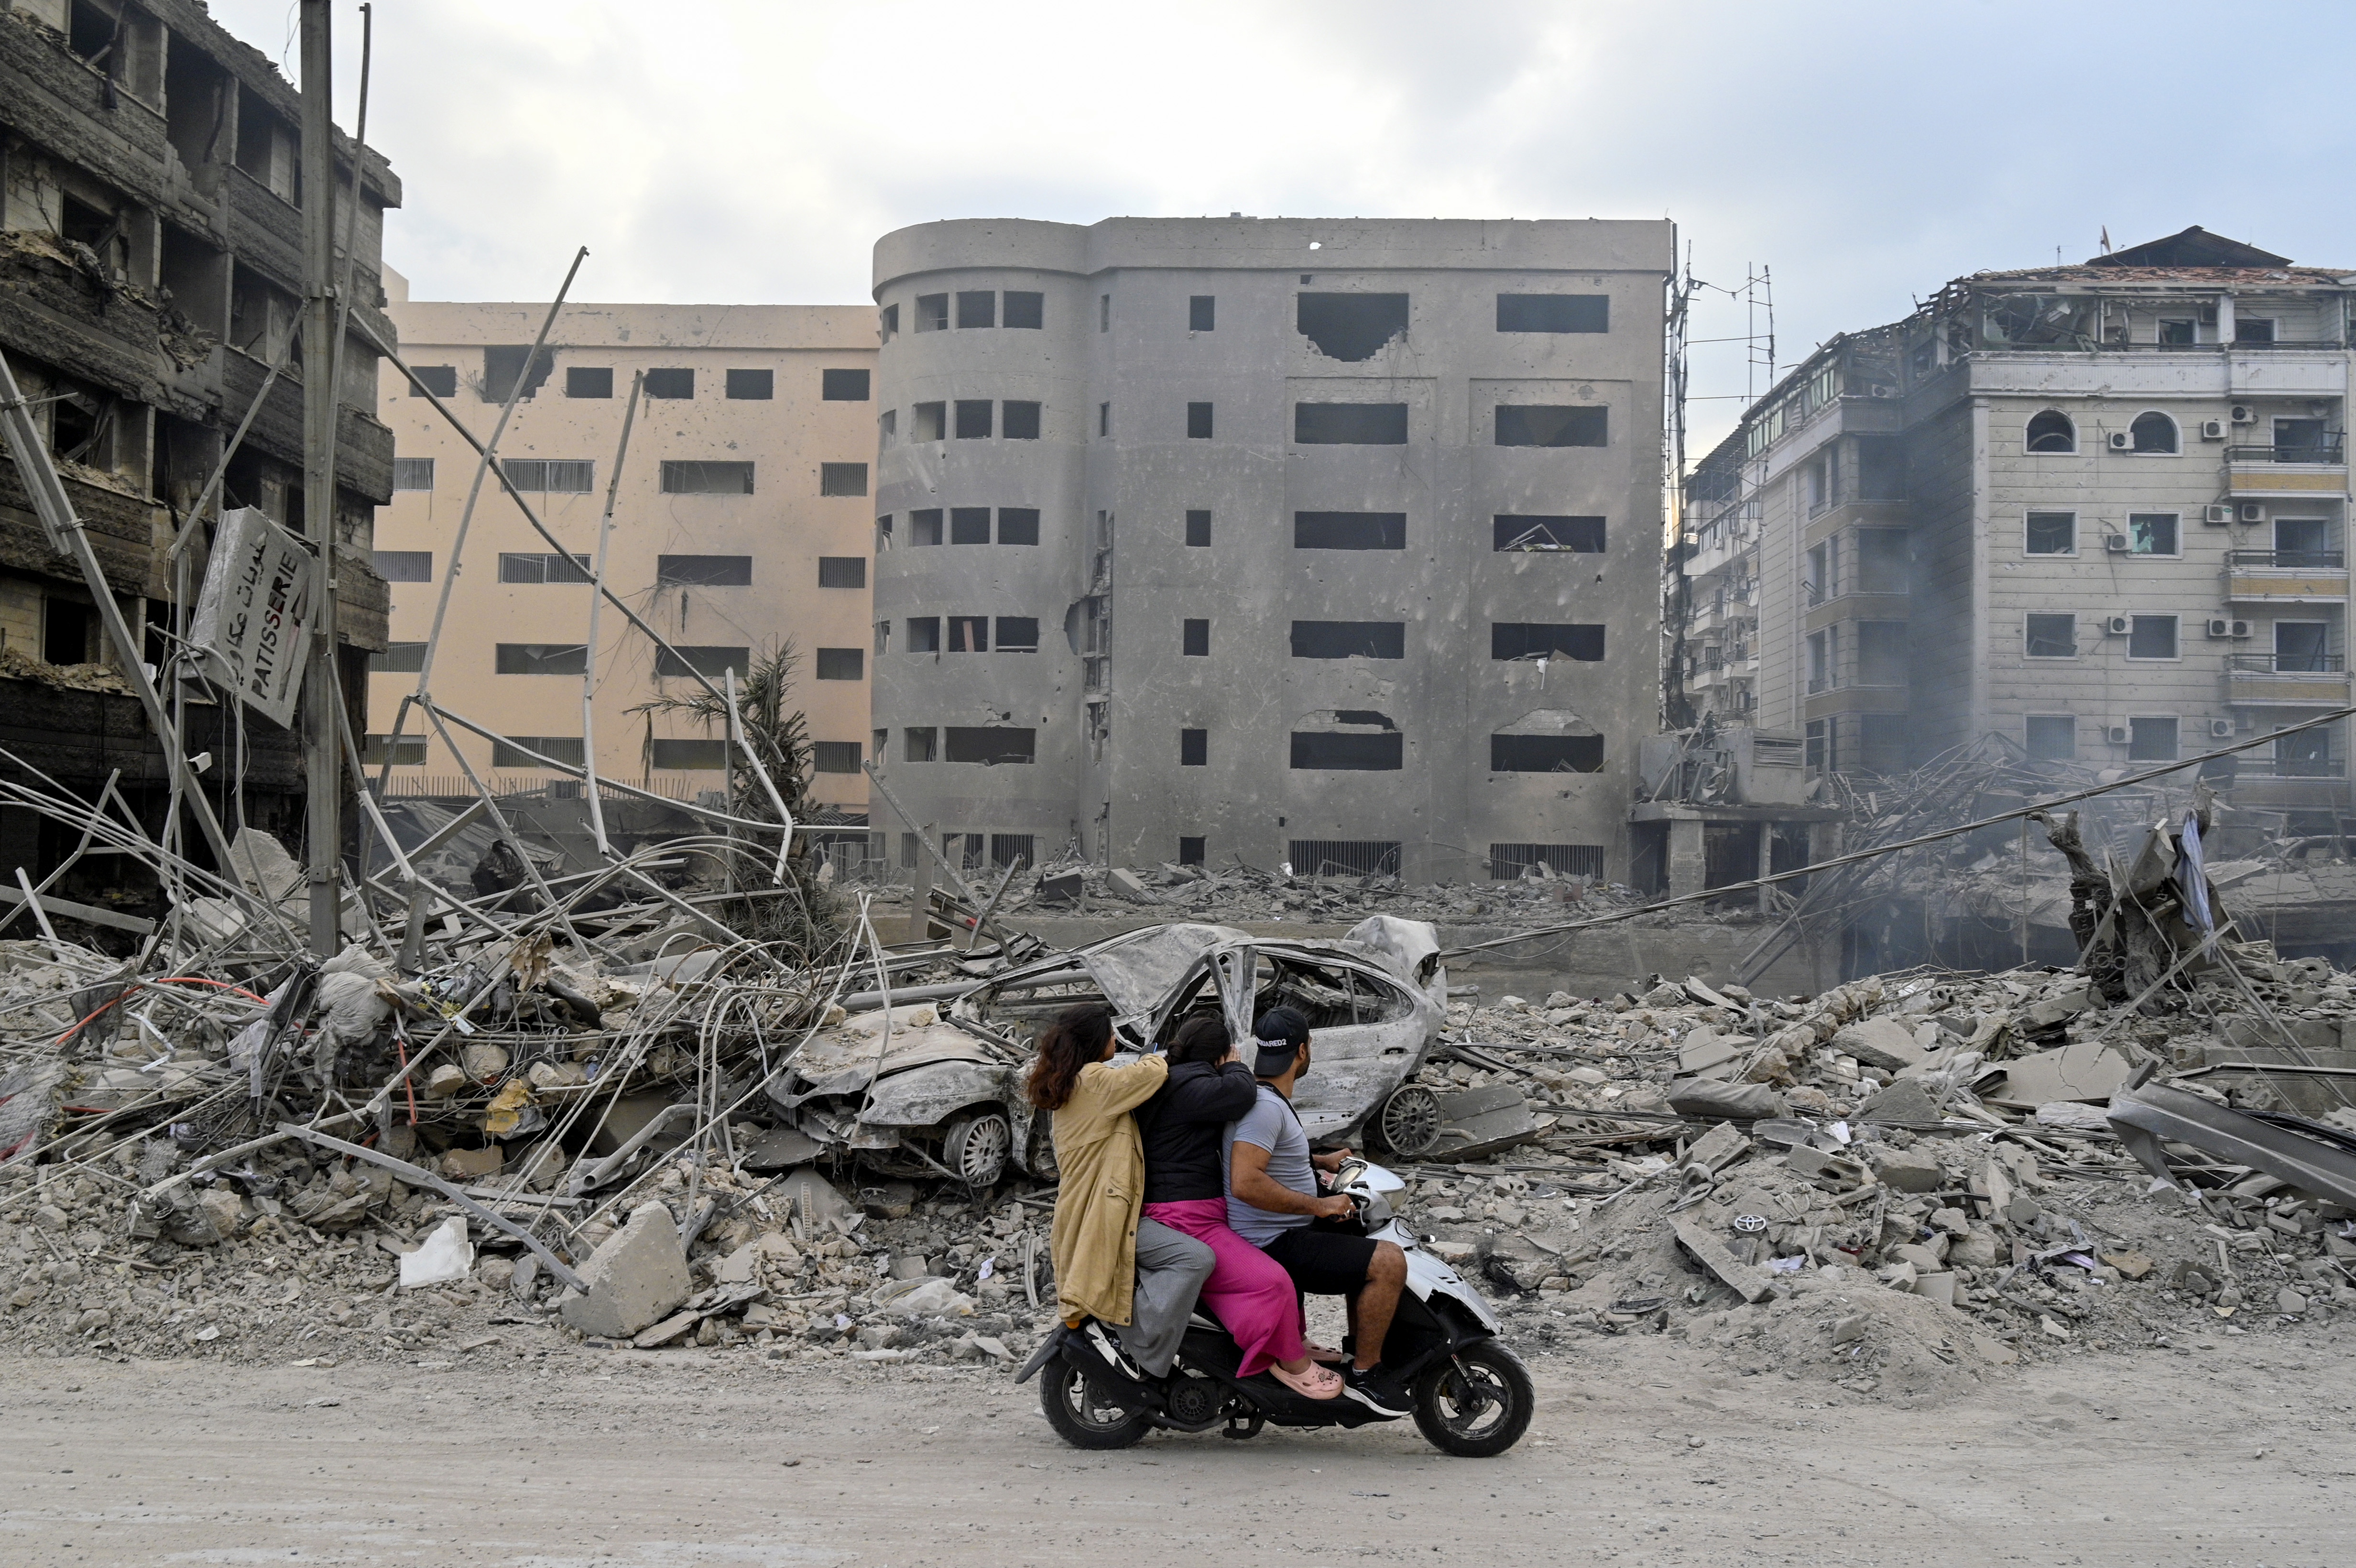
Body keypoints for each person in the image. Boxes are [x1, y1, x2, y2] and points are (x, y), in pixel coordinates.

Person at [1136, 1013, 1342, 1401]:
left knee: (1283, 1257)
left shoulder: (1180, 1082)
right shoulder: (1192, 1085)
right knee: (1272, 1280)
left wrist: (1314, 1161)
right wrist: (1233, 1066)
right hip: (1186, 1217)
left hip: (1193, 1210)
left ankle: (1294, 1340)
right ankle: (1292, 1364)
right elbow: (1243, 1093)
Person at [1226, 1005, 1413, 1418]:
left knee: (1360, 1232)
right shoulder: (1265, 1107)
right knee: (1388, 1262)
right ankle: (1366, 1374)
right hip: (1273, 1241)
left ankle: (1355, 1350)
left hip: (1282, 1230)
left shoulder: (1264, 1097)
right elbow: (1246, 1181)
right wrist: (1319, 1204)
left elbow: (1268, 1155)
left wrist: (1316, 1162)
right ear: (1303, 1051)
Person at [1023, 1003, 1213, 1386]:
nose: (1115, 1038)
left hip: (1091, 1213)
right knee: (1195, 1258)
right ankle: (1135, 1343)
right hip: (1100, 1219)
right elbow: (1148, 1074)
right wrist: (1163, 1055)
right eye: (1111, 1033)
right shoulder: (1095, 1082)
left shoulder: (1073, 1083)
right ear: (1096, 1041)